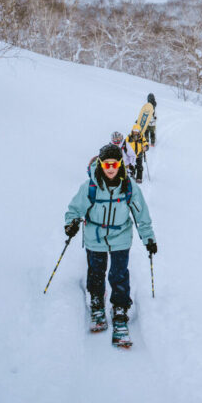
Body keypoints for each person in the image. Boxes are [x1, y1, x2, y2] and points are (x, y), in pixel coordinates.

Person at [65, 143, 157, 347]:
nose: (111, 169)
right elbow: (74, 210)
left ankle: (120, 308)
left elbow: (142, 216)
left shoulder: (129, 186)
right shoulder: (90, 186)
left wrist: (148, 238)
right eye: (106, 165)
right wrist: (71, 224)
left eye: (114, 164)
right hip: (95, 237)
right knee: (96, 271)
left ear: (120, 164)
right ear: (100, 164)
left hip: (120, 237)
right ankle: (97, 301)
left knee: (119, 273)